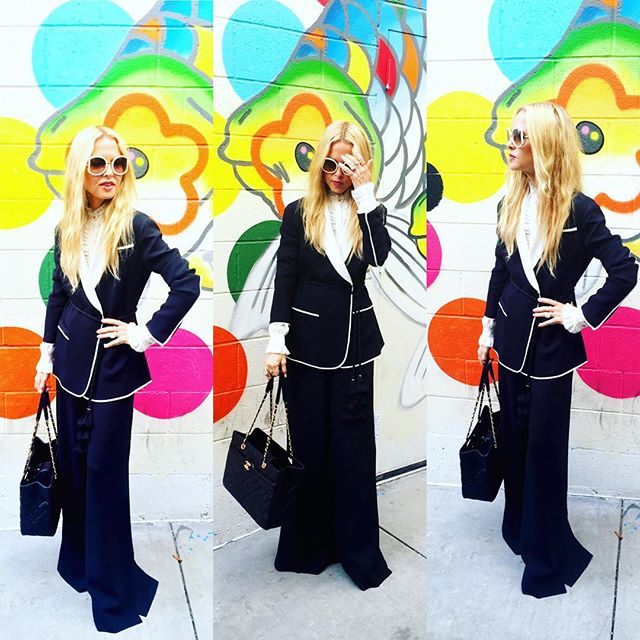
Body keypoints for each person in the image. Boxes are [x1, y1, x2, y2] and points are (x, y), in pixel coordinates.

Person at [33, 125, 200, 632]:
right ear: (80, 170)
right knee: (74, 470)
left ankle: (111, 586)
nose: (109, 173)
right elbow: (59, 295)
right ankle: (79, 564)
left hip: (113, 372)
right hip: (69, 365)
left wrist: (144, 334)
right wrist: (45, 356)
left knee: (104, 476)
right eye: (98, 163)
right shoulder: (66, 225)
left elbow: (186, 284)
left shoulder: (138, 227)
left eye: (118, 163)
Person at [477, 101, 638, 598]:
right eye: (510, 134)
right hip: (510, 343)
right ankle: (519, 530)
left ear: (545, 145)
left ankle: (545, 556)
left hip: (552, 351)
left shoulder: (580, 210)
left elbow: (625, 270)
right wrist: (487, 328)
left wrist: (579, 315)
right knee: (514, 442)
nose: (510, 143)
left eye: (520, 136)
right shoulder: (508, 202)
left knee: (544, 452)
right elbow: (501, 270)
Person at [264, 120, 392, 590]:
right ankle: (309, 545)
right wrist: (276, 340)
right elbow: (286, 277)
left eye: (348, 164)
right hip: (304, 347)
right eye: (331, 164)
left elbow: (378, 257)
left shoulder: (369, 211)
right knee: (310, 449)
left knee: (354, 452)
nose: (338, 174)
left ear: (361, 165)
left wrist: (366, 193)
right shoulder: (298, 212)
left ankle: (356, 549)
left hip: (356, 346)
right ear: (320, 163)